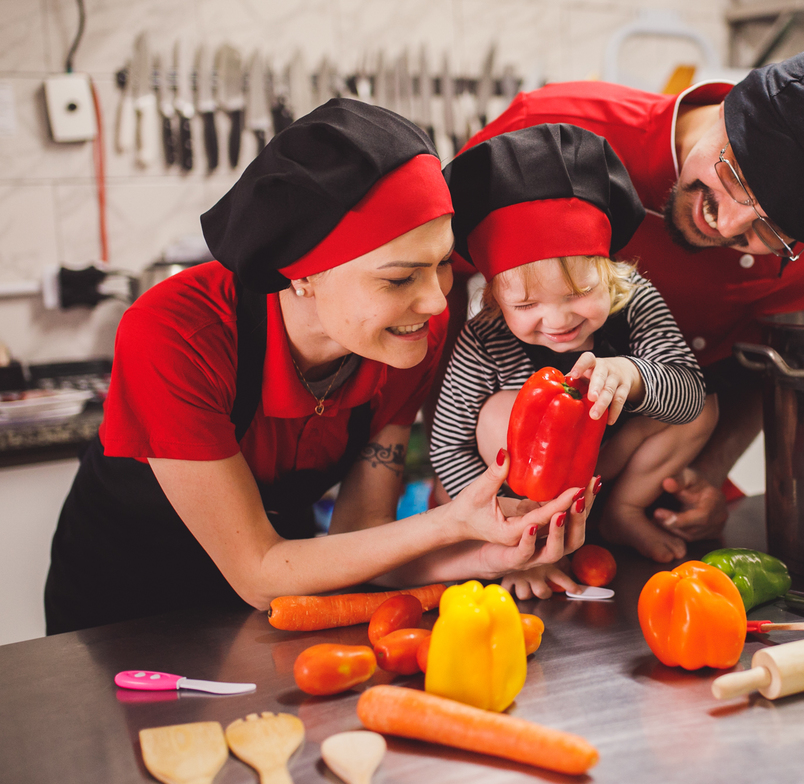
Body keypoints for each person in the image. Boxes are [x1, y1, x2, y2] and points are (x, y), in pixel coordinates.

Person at [43, 99, 592, 635]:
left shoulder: (403, 335)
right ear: (302, 275)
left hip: (289, 596)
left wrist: (490, 555)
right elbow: (259, 572)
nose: (434, 301)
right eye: (400, 278)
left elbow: (363, 538)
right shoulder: (177, 336)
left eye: (442, 263)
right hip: (122, 612)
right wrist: (450, 522)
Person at [452, 43, 804, 544]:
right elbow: (437, 281)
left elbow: (775, 373)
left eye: (774, 229)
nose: (726, 222)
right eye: (736, 172)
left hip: (655, 472)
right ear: (729, 106)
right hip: (515, 466)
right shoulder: (547, 131)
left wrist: (707, 477)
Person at [430, 124, 717, 592]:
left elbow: (687, 394)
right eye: (526, 306)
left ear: (610, 272)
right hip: (518, 498)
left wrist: (632, 375)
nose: (558, 319)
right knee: (498, 413)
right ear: (496, 300)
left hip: (607, 471)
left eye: (580, 292)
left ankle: (622, 511)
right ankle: (537, 542)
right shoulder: (485, 337)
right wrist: (509, 533)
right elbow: (448, 447)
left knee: (704, 407)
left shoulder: (637, 301)